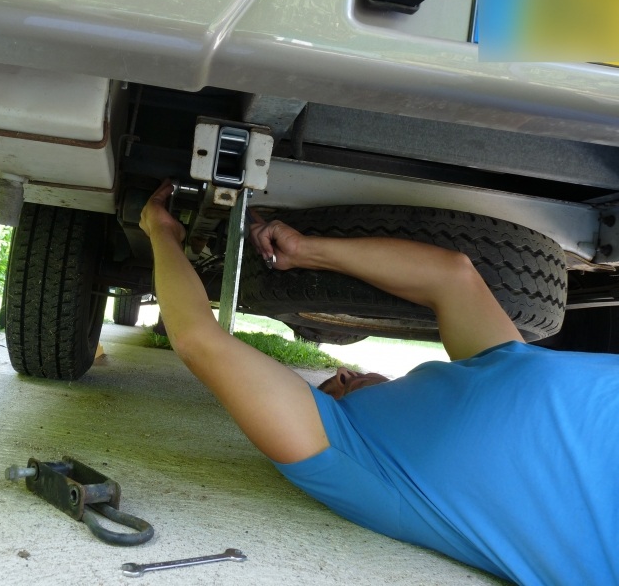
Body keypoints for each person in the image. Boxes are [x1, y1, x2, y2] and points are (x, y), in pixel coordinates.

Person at [139, 181, 618, 586]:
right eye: (332, 388)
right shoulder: (348, 458)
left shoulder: (495, 364)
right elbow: (199, 340)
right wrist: (161, 232)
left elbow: (451, 276)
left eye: (335, 378)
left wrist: (306, 250)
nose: (343, 374)